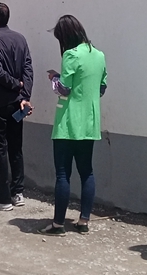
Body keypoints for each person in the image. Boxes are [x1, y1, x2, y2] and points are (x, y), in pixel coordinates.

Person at [42, 15, 106, 236]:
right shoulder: (99, 55)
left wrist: (54, 78)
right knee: (87, 172)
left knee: (63, 174)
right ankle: (83, 221)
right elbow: (101, 87)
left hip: (68, 123)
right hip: (89, 123)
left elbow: (64, 89)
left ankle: (58, 224)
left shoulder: (70, 54)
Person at [0, 3, 33, 211]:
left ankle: (2, 198)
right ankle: (17, 192)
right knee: (15, 147)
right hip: (18, 103)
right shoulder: (20, 39)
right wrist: (24, 94)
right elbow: (28, 68)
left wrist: (16, 85)